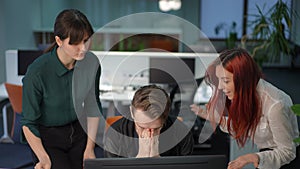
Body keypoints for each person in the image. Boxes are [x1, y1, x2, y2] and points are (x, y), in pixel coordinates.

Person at [190, 48, 299, 169]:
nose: (220, 87)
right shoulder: (245, 94)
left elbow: (288, 152)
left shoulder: (275, 105)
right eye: (219, 80)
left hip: (285, 161)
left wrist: (253, 157)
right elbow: (241, 127)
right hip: (265, 156)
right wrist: (216, 118)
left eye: (225, 81)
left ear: (242, 79)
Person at [21, 9, 102, 169]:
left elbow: (93, 108)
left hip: (79, 133)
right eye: (75, 43)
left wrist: (90, 149)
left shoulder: (91, 62)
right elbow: (28, 123)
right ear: (59, 41)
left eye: (86, 40)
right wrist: (43, 158)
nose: (83, 48)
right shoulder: (37, 72)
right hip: (48, 139)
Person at [104, 85, 194, 157]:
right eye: (141, 127)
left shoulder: (182, 133)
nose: (149, 134)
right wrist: (140, 159)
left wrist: (157, 160)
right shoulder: (115, 134)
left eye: (156, 128)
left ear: (165, 118)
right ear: (132, 112)